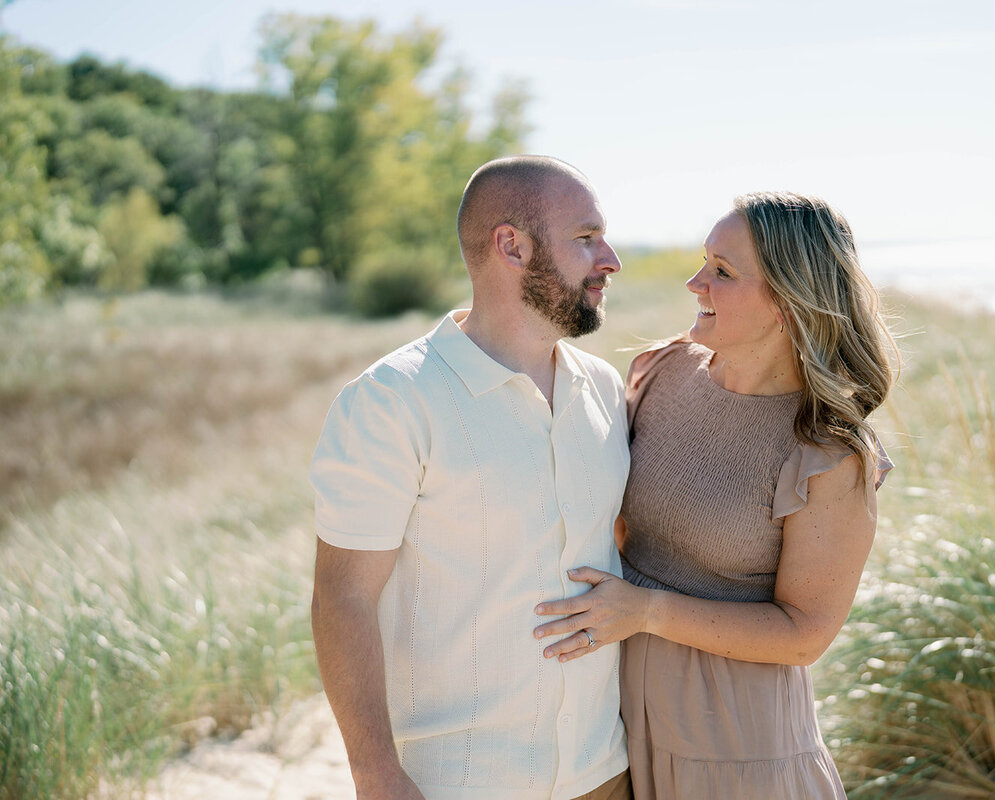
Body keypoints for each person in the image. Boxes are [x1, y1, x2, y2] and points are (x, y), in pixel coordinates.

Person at [532, 192, 897, 799]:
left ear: (787, 301)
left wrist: (646, 611)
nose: (695, 282)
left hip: (736, 746)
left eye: (722, 272)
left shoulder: (828, 452)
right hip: (612, 718)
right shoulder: (661, 371)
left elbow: (806, 634)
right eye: (704, 261)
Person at [310, 155, 633, 800]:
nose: (611, 259)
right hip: (462, 781)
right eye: (586, 237)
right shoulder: (392, 400)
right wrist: (375, 776)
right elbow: (341, 599)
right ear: (510, 244)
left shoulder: (602, 388)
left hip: (603, 771)